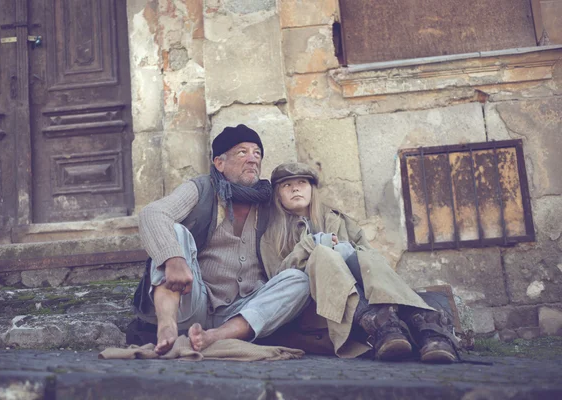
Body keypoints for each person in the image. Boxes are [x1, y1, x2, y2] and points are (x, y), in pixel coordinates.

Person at [132, 125, 311, 354]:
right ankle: (167, 326)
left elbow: (302, 217)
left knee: (298, 280)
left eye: (257, 153)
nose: (252, 159)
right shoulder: (203, 188)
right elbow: (153, 214)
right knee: (176, 232)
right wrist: (173, 259)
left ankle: (216, 336)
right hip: (193, 301)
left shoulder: (269, 199)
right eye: (242, 152)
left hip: (245, 309)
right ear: (220, 163)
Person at [260, 162, 460, 363]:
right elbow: (280, 284)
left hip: (371, 302)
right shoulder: (270, 238)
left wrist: (343, 251)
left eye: (302, 182)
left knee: (357, 253)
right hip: (320, 313)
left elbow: (374, 267)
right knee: (323, 253)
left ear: (312, 189)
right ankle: (382, 324)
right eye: (287, 185)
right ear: (278, 195)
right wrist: (309, 247)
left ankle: (415, 323)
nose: (295, 188)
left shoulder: (340, 221)